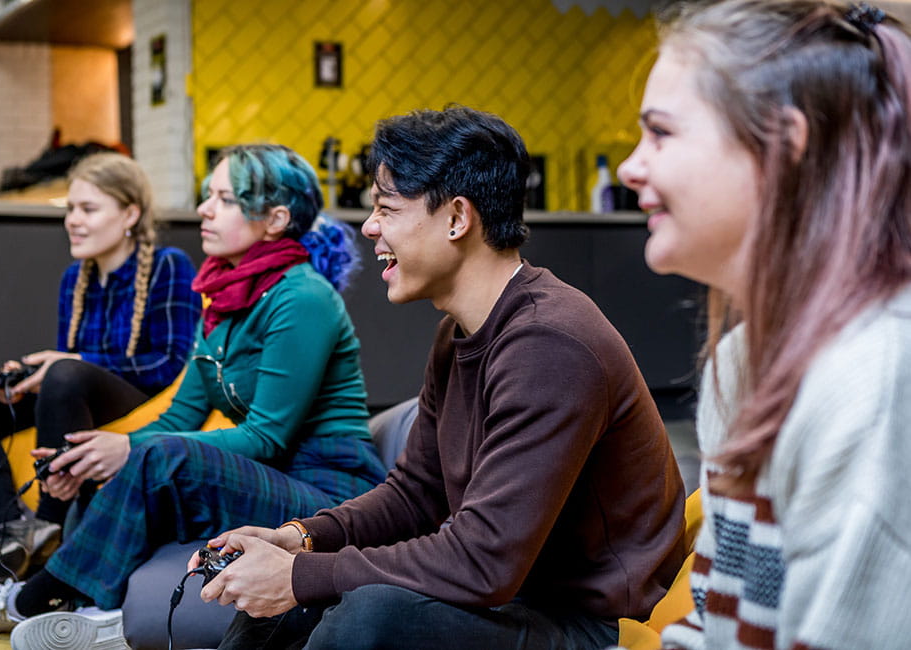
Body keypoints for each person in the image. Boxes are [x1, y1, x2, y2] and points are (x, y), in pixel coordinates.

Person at [189, 106, 686, 650]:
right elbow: (415, 497)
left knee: (368, 615)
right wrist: (299, 540)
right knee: (290, 606)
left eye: (386, 208)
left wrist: (299, 578)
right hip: (515, 600)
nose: (369, 226)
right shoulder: (458, 334)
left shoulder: (550, 343)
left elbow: (482, 561)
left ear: (456, 218)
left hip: (592, 624)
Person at [0, 144, 388, 646]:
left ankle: (33, 598)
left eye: (224, 199)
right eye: (209, 196)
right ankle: (90, 607)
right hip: (281, 476)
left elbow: (267, 437)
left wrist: (132, 448)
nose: (205, 209)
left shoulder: (303, 296)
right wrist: (94, 456)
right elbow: (180, 413)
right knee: (119, 460)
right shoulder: (224, 302)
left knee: (163, 457)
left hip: (332, 494)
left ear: (275, 218)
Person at [616, 1, 911, 648]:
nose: (629, 168)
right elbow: (718, 623)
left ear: (785, 145)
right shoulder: (741, 363)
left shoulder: (874, 381)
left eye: (660, 133)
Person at [0, 152, 201, 582]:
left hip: (143, 401)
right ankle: (12, 528)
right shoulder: (75, 278)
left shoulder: (169, 265)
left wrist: (70, 363)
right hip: (77, 396)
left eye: (88, 209)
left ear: (130, 213)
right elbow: (65, 379)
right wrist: (25, 381)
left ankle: (49, 529)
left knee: (65, 373)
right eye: (71, 208)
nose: (73, 220)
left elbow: (169, 364)